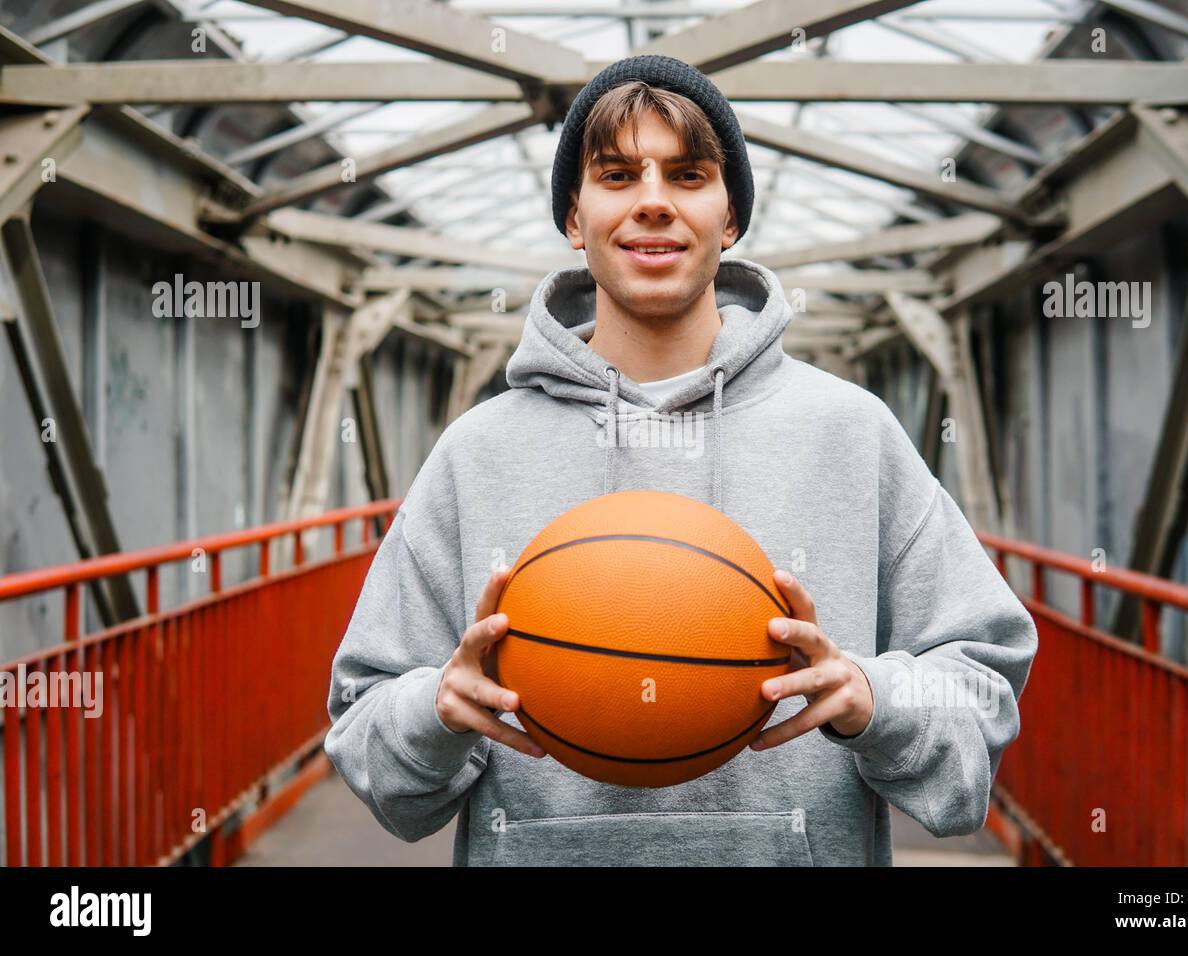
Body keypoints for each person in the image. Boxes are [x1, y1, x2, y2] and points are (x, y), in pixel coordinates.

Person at [323, 54, 1038, 866]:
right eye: (619, 175)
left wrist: (878, 698)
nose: (654, 202)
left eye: (688, 175)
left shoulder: (850, 433)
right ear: (573, 216)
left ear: (730, 218)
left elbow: (984, 697)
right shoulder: (477, 453)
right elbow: (366, 732)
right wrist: (434, 709)